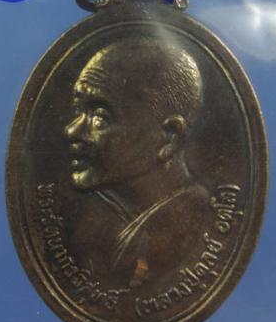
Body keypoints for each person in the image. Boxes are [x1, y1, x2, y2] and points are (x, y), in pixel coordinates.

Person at [64, 35, 209, 287]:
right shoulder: (112, 226)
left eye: (100, 116)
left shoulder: (191, 227)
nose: (71, 131)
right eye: (79, 111)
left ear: (169, 138)